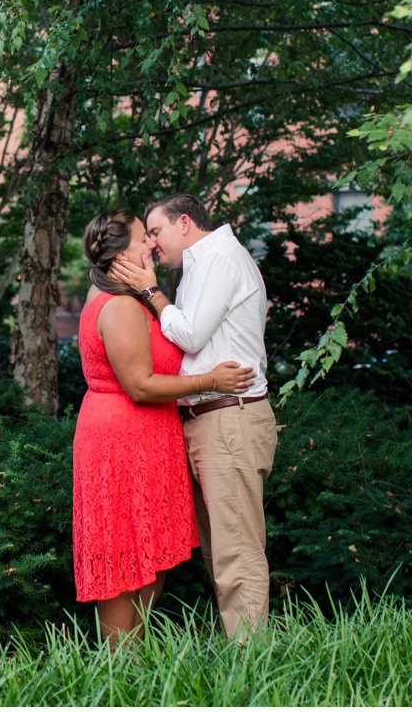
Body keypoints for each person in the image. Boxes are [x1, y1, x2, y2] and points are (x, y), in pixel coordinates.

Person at [74, 209, 256, 647]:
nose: (152, 246)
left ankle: (134, 670)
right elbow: (139, 385)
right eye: (143, 240)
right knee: (125, 557)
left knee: (148, 559)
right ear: (120, 256)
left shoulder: (130, 299)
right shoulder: (118, 307)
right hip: (121, 440)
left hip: (148, 438)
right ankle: (119, 675)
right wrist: (212, 381)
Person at [110, 192, 277, 641]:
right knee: (221, 551)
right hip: (211, 418)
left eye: (157, 231)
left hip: (229, 417)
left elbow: (190, 333)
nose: (153, 244)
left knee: (236, 552)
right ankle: (243, 653)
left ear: (185, 223)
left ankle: (254, 666)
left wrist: (149, 291)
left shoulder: (220, 258)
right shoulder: (200, 266)